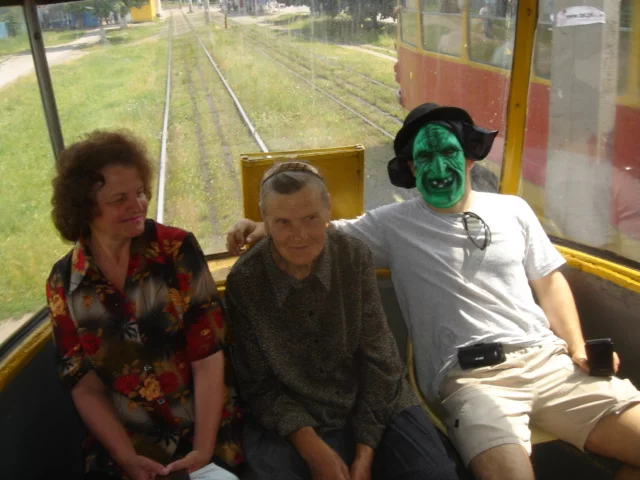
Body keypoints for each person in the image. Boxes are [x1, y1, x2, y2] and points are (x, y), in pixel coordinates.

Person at [227, 104, 640, 480]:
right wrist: (264, 227)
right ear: (410, 168)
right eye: (424, 157)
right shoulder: (391, 224)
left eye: (448, 152)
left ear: (470, 156)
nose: (438, 166)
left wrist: (576, 347)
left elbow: (548, 282)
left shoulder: (514, 209)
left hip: (551, 362)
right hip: (475, 381)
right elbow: (316, 230)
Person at [225, 162, 460, 480]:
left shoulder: (354, 257)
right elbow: (259, 387)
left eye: (310, 218)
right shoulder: (246, 280)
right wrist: (312, 449)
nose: (299, 235)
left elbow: (381, 362)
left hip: (372, 399)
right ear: (265, 222)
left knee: (436, 474)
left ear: (328, 213)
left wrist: (365, 453)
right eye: (282, 222)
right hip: (294, 414)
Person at [46, 131, 242, 480]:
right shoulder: (64, 283)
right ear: (84, 207)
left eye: (139, 192)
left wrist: (202, 451)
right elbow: (85, 386)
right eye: (119, 198)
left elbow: (208, 358)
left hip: (203, 433)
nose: (137, 205)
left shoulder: (176, 250)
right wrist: (126, 458)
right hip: (126, 448)